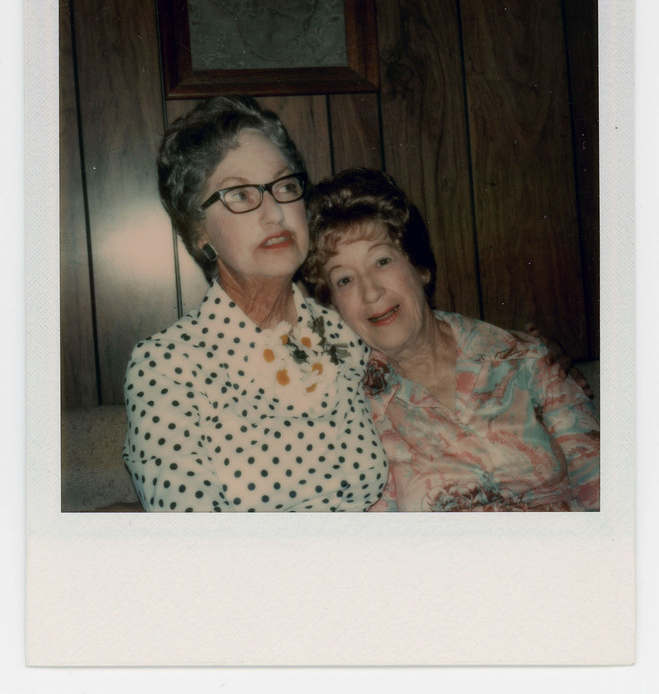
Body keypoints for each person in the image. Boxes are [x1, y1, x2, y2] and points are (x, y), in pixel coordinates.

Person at [122, 97, 388, 511]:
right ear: (199, 232)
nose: (275, 214)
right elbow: (194, 546)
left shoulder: (346, 331)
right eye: (240, 195)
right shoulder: (168, 365)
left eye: (284, 187)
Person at [302, 168, 600, 512]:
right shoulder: (351, 411)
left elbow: (607, 500)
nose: (371, 292)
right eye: (344, 280)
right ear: (332, 305)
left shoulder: (527, 360)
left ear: (420, 268)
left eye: (382, 261)